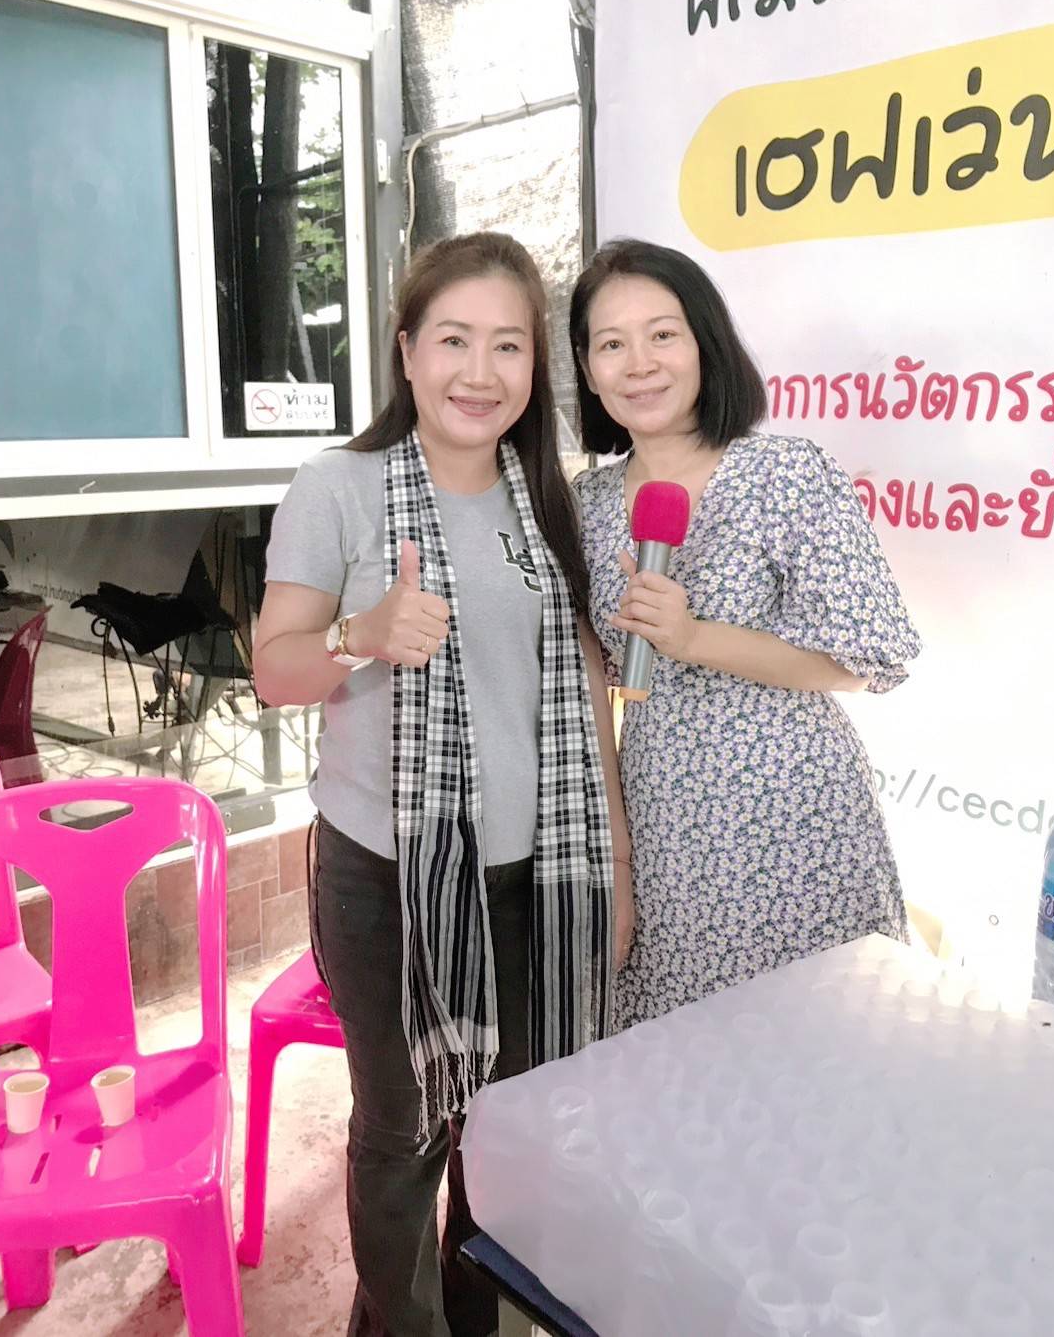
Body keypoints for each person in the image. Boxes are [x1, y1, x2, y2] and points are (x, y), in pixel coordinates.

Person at [254, 231, 632, 1337]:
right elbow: (275, 669)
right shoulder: (338, 486)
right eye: (454, 340)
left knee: (504, 1126)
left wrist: (614, 862)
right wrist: (360, 634)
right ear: (408, 350)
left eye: (507, 345)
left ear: (534, 366)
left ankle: (476, 1319)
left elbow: (587, 691)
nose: (480, 371)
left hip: (535, 876)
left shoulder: (547, 501)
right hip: (387, 877)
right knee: (402, 1130)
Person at [570, 238, 921, 1029]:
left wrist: (694, 637)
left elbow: (868, 658)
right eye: (611, 344)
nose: (639, 364)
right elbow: (592, 675)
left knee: (815, 1048)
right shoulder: (586, 502)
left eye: (663, 334)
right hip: (663, 820)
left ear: (705, 342)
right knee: (680, 1059)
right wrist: (617, 852)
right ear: (588, 370)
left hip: (794, 814)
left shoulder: (787, 474)